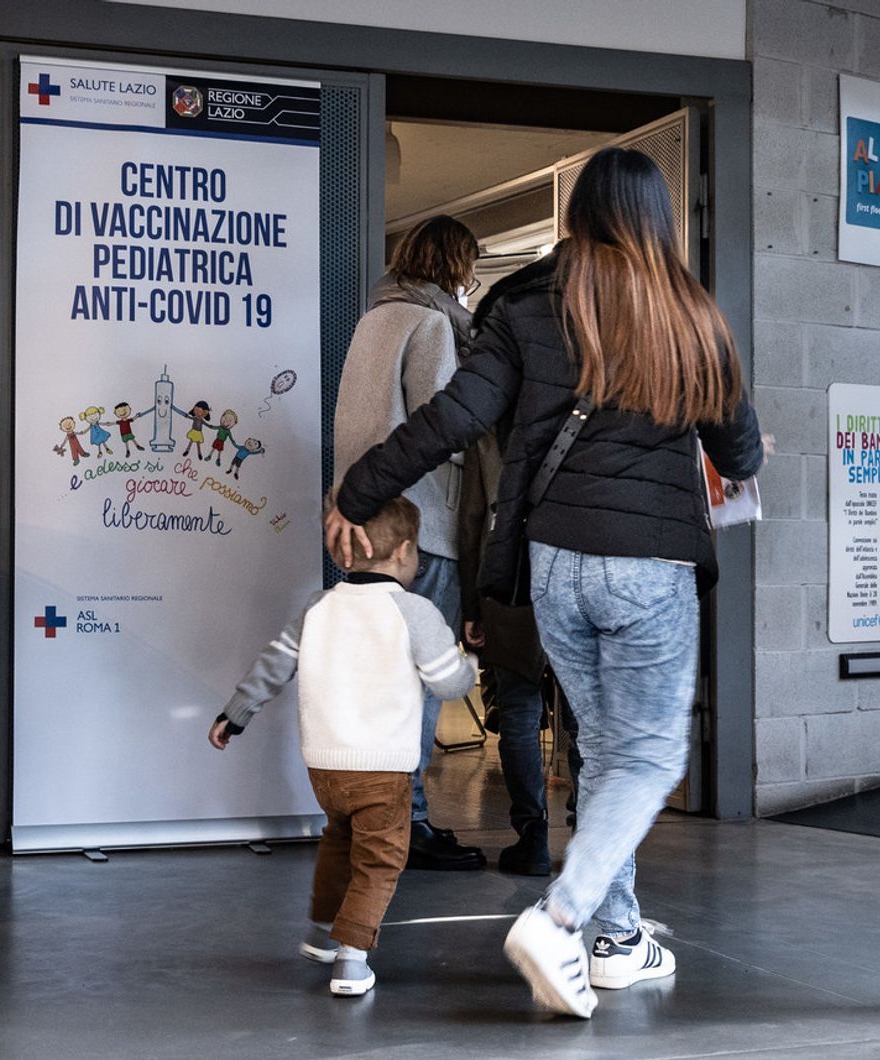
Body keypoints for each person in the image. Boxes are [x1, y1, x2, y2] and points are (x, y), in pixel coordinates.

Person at [325, 147, 764, 1019]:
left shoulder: (529, 305)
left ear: (576, 216)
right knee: (646, 754)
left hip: (555, 561)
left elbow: (453, 417)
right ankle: (561, 918)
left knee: (606, 750)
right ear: (659, 217)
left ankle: (617, 936)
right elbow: (740, 452)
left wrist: (356, 492)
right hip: (650, 569)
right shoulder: (693, 315)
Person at [208, 497, 477, 998]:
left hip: (325, 768)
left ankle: (319, 936)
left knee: (338, 842)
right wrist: (470, 668)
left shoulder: (318, 606)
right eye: (417, 552)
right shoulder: (413, 610)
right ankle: (353, 960)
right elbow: (447, 683)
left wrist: (234, 713)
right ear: (403, 551)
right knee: (379, 859)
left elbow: (274, 664)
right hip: (381, 769)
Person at [332, 214, 485, 872]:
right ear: (456, 263)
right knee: (417, 678)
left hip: (362, 516)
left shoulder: (374, 319)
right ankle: (411, 823)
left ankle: (371, 818)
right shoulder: (432, 325)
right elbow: (441, 427)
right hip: (418, 527)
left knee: (374, 677)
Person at [454, 282, 554, 877]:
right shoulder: (577, 398)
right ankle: (594, 846)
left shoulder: (488, 417)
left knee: (517, 710)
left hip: (509, 574)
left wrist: (472, 603)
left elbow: (471, 520)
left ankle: (532, 838)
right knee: (589, 719)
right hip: (578, 568)